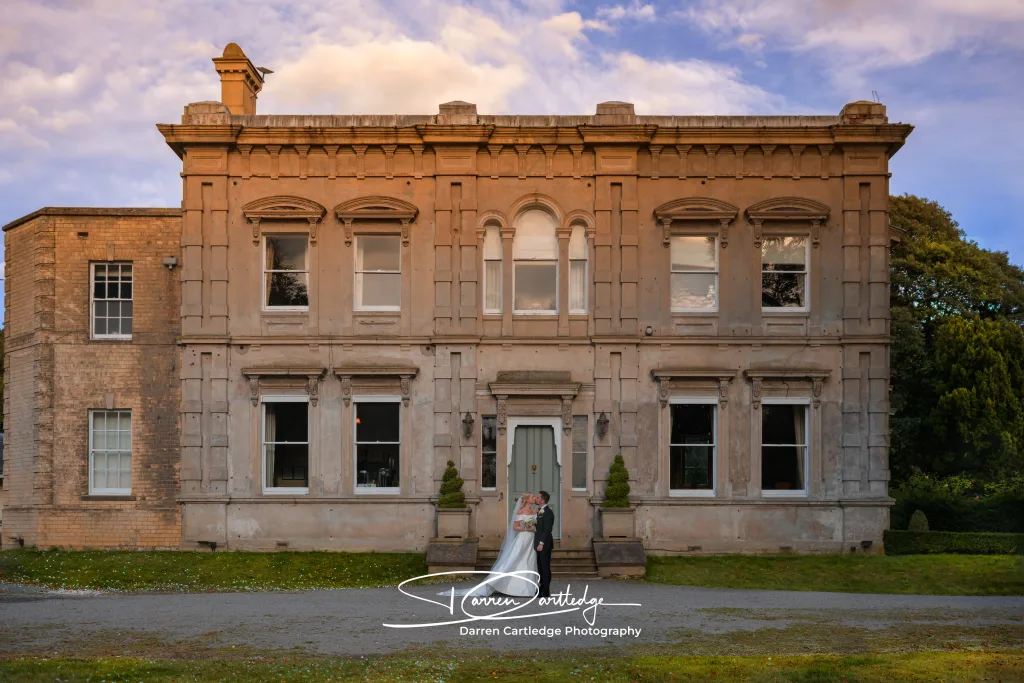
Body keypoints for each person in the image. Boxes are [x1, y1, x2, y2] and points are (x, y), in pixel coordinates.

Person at [441, 493, 539, 597]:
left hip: (531, 539)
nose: (534, 498)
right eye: (532, 497)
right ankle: (497, 583)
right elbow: (515, 527)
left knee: (529, 560)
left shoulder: (534, 511)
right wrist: (527, 528)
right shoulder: (521, 511)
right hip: (523, 538)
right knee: (514, 559)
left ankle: (527, 587)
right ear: (527, 500)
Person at [534, 490, 555, 598]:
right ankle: (542, 587)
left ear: (542, 500)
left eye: (537, 497)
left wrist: (541, 543)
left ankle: (546, 591)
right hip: (538, 543)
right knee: (540, 567)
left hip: (544, 544)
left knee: (545, 567)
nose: (535, 499)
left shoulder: (548, 512)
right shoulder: (540, 511)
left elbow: (547, 530)